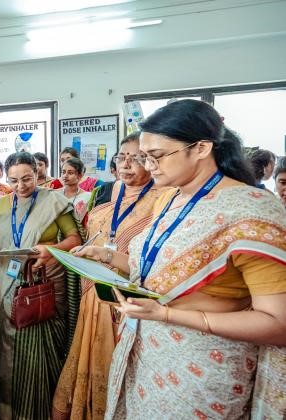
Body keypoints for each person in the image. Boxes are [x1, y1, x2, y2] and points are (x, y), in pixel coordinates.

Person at [75, 100, 286, 419]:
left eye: (156, 156)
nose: (149, 165)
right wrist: (106, 256)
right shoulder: (168, 199)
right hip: (147, 352)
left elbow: (278, 324)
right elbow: (159, 271)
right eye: (145, 156)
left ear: (201, 148)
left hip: (204, 367)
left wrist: (167, 315)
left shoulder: (252, 211)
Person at [52, 131, 167, 420]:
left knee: (117, 362)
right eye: (122, 157)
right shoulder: (111, 190)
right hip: (94, 289)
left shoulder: (162, 199)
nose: (127, 165)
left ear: (152, 162)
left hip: (125, 301)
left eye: (138, 158)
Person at [0, 151, 84, 419]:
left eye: (27, 179)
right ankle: (14, 410)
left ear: (38, 173)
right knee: (12, 352)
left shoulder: (53, 201)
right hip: (11, 285)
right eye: (14, 180)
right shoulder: (2, 204)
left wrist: (50, 250)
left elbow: (75, 240)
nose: (21, 186)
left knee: (45, 352)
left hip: (46, 286)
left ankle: (46, 409)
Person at [60, 157, 91, 224]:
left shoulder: (88, 197)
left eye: (70, 173)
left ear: (80, 175)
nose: (65, 176)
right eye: (63, 172)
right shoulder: (55, 194)